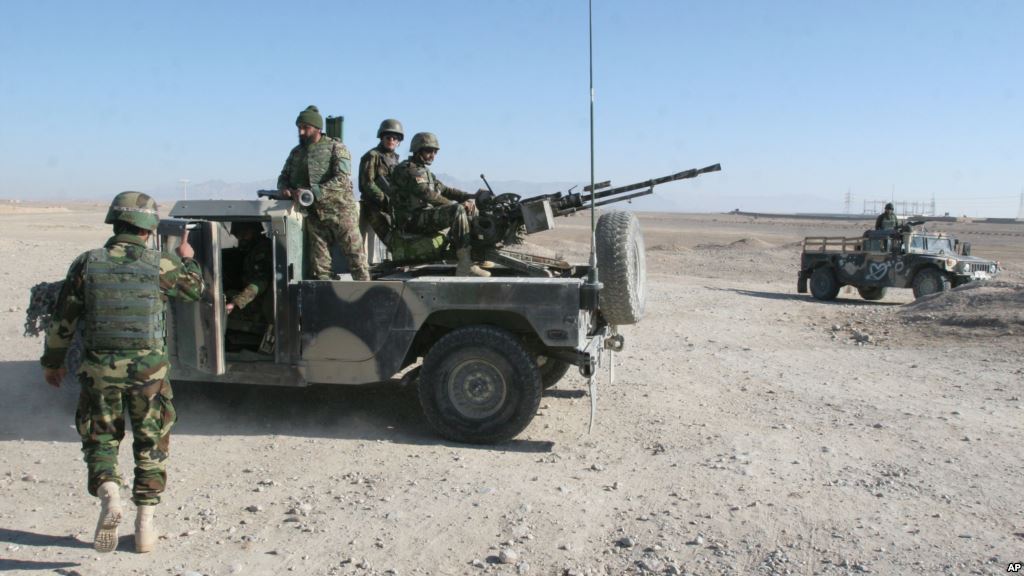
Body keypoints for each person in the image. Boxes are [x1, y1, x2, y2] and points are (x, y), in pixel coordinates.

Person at [40, 191, 205, 554]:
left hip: (99, 371)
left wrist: (53, 363)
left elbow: (63, 319)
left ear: (115, 223)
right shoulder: (160, 265)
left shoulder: (88, 263)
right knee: (151, 446)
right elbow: (195, 291)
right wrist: (188, 259)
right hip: (148, 376)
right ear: (149, 228)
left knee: (100, 441)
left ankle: (109, 495)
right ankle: (145, 527)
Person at [277, 105, 370, 281]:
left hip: (341, 212)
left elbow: (342, 179)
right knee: (321, 269)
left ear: (318, 128)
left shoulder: (336, 147)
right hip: (314, 217)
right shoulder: (296, 153)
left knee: (357, 260)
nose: (302, 132)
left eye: (306, 128)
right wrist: (285, 189)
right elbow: (284, 176)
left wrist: (314, 192)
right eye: (299, 128)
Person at [389, 132, 489, 277]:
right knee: (457, 210)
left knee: (469, 208)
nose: (433, 155)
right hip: (410, 220)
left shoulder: (424, 171)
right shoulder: (407, 169)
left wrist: (471, 196)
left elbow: (445, 189)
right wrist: (456, 205)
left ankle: (475, 257)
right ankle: (465, 265)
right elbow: (427, 194)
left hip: (421, 217)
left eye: (435, 152)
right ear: (418, 150)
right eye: (429, 151)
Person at [358, 118, 403, 260]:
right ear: (381, 137)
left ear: (398, 141)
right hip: (374, 207)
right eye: (388, 137)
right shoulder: (372, 156)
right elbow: (366, 184)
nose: (391, 140)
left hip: (392, 207)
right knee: (391, 240)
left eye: (395, 138)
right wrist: (385, 200)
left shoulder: (395, 159)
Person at [225, 221, 273, 352]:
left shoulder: (262, 250)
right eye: (239, 235)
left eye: (245, 233)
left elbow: (260, 282)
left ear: (255, 231)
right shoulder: (255, 248)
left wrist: (236, 302)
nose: (242, 238)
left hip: (261, 303)